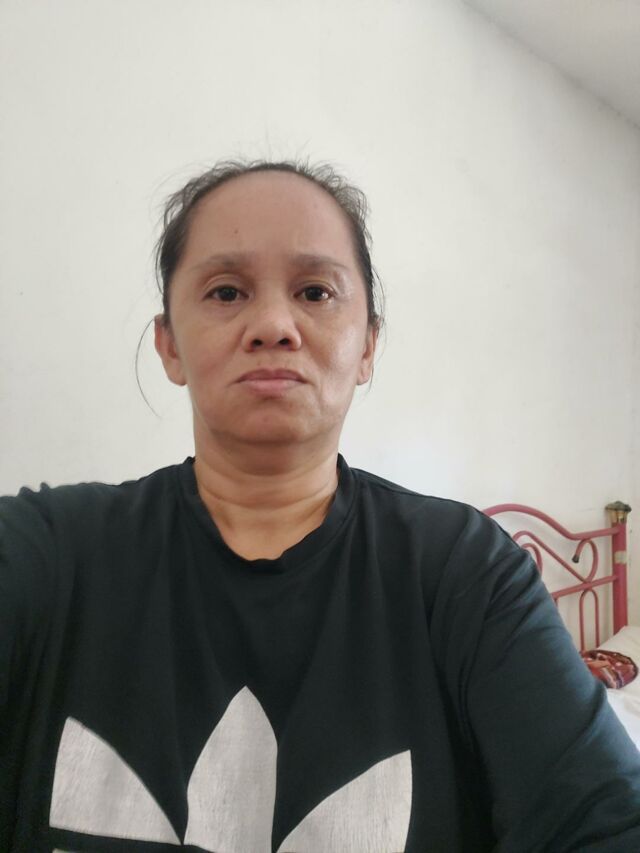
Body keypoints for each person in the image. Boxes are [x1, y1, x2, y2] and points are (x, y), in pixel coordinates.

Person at [1, 157, 639, 853]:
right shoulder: (51, 554)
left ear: (367, 346)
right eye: (225, 292)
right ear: (169, 345)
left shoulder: (467, 570)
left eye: (315, 291)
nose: (274, 325)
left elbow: (602, 819)